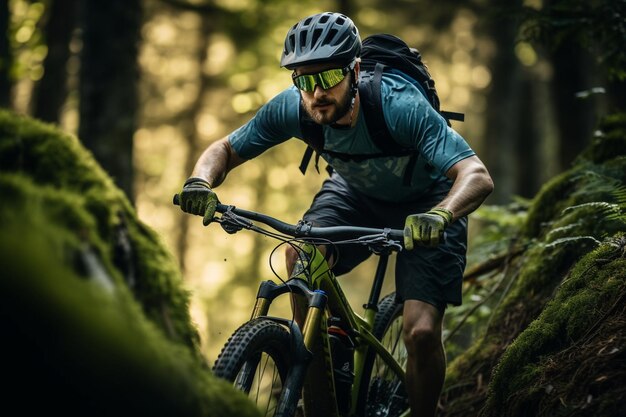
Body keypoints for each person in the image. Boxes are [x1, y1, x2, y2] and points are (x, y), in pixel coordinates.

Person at [178, 11, 494, 417]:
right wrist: (199, 182)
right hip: (355, 192)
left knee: (420, 331)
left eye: (327, 78)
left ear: (354, 71)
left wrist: (443, 215)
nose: (316, 93)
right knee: (299, 256)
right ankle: (323, 370)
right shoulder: (293, 109)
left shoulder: (399, 105)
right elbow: (224, 149)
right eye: (304, 81)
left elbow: (475, 174)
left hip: (430, 200)